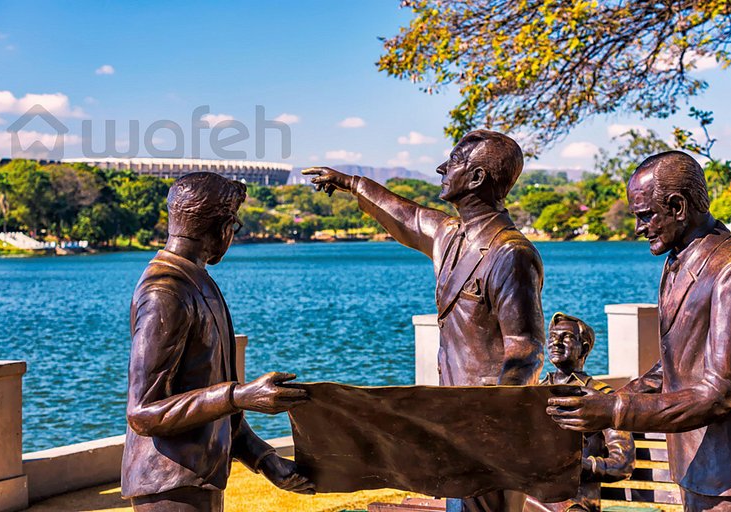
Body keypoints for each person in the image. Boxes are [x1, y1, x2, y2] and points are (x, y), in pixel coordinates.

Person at [304, 130, 546, 512]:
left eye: (452, 163)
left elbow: (526, 348)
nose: (441, 169)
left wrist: (496, 418)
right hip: (454, 418)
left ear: (477, 178)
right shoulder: (451, 236)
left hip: (488, 425)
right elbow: (409, 216)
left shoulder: (510, 253)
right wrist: (353, 185)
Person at [547, 151, 731, 512]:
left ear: (678, 206)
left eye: (645, 216)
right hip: (695, 468)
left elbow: (719, 392)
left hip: (730, 477)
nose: (638, 228)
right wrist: (610, 398)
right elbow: (677, 361)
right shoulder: (678, 259)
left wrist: (616, 410)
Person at [121, 172, 314, 512]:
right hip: (168, 485)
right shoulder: (164, 292)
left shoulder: (199, 283)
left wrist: (265, 460)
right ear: (220, 227)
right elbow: (142, 412)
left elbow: (213, 395)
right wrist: (239, 395)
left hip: (198, 477)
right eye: (234, 225)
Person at [525, 313, 634, 512]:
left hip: (576, 503)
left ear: (584, 348)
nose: (555, 342)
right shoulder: (535, 393)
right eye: (552, 337)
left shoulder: (602, 398)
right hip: (533, 498)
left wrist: (577, 467)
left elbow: (622, 464)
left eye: (566, 336)